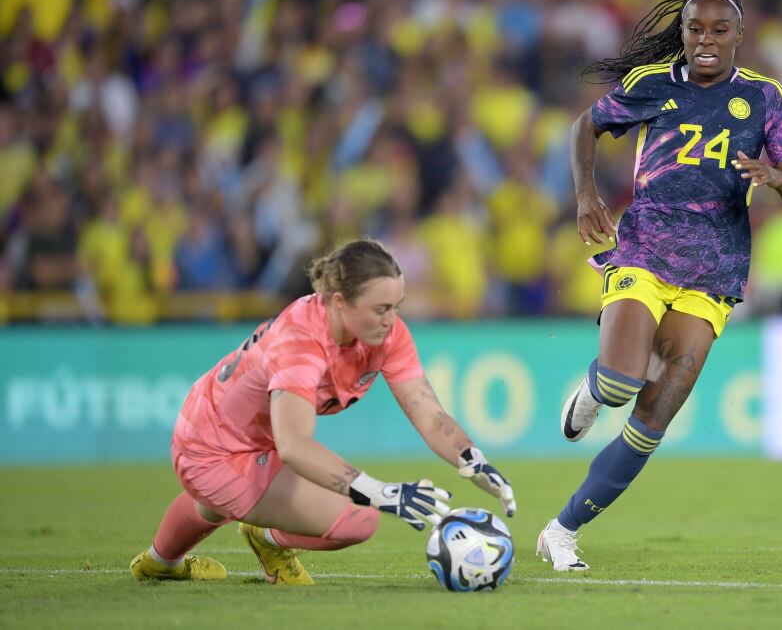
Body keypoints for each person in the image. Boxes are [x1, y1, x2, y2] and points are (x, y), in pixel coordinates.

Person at [537, 0, 782, 572]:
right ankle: (593, 388)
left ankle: (561, 531)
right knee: (618, 383)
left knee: (652, 420)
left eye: (718, 30)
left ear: (739, 36)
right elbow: (586, 124)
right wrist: (585, 193)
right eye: (695, 29)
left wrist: (778, 179)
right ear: (683, 34)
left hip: (715, 271)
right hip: (646, 252)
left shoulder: (765, 98)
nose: (705, 40)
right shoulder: (653, 85)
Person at [131, 238, 516, 585]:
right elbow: (295, 446)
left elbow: (425, 409)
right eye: (380, 309)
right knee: (359, 521)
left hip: (242, 433)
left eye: (396, 307)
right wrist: (379, 492)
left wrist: (472, 459)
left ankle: (159, 563)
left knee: (215, 505)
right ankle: (267, 540)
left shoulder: (384, 333)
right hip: (210, 448)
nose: (391, 320)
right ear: (338, 301)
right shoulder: (301, 341)